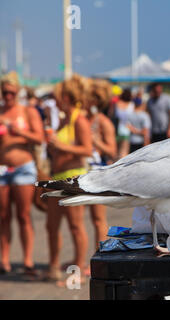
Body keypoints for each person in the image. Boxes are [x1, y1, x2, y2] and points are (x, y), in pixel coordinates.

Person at [45, 74, 92, 281]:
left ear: (66, 97)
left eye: (57, 97)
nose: (55, 101)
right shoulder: (63, 120)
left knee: (75, 225)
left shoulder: (79, 120)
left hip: (73, 178)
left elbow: (87, 149)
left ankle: (78, 269)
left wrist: (60, 146)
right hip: (57, 177)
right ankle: (54, 266)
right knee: (51, 225)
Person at [0, 72, 44, 277]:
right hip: (2, 170)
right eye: (4, 92)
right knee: (3, 216)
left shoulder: (28, 112)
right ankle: (4, 259)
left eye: (11, 92)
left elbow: (39, 138)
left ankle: (28, 260)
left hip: (23, 168)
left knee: (23, 215)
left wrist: (20, 132)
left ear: (17, 92)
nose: (7, 96)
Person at [85, 79, 117, 250]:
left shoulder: (103, 122)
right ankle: (80, 259)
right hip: (82, 170)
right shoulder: (83, 119)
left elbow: (112, 151)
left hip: (97, 173)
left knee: (98, 219)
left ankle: (101, 252)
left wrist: (96, 141)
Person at [111, 88, 134, 159]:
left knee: (115, 154)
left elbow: (111, 115)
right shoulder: (131, 105)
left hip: (116, 129)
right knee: (123, 154)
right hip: (126, 130)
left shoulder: (117, 104)